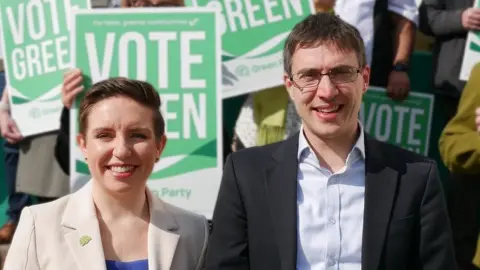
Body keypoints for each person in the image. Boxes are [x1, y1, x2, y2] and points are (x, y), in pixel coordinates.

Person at [205, 13, 456, 270]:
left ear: (365, 79)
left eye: (341, 73)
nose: (326, 91)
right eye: (309, 76)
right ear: (289, 86)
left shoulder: (415, 177)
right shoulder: (246, 173)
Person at [4, 78, 208, 269]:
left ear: (159, 146)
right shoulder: (39, 225)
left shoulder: (195, 231)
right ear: (83, 145)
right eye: (104, 135)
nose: (121, 150)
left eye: (138, 135)